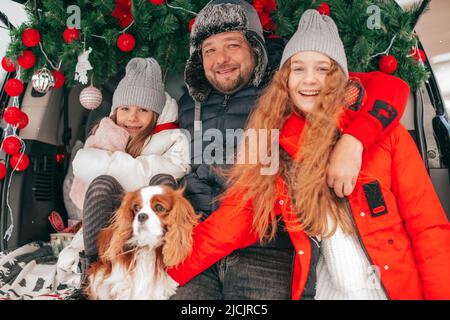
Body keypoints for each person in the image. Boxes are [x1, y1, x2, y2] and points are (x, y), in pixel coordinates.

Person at [168, 9, 450, 300]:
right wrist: (161, 273)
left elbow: (428, 227)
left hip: (395, 289)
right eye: (298, 69)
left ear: (341, 76)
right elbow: (236, 219)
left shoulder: (386, 136)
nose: (310, 80)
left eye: (323, 69)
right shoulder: (275, 145)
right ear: (285, 80)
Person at [70, 57, 191, 272]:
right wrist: (139, 166)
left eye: (143, 110)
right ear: (116, 111)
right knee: (102, 183)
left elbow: (172, 171)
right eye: (125, 108)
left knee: (162, 182)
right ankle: (94, 269)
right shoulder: (105, 132)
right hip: (109, 219)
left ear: (156, 114)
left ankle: (161, 265)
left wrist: (114, 163)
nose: (132, 117)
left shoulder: (174, 138)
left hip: (149, 222)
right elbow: (81, 164)